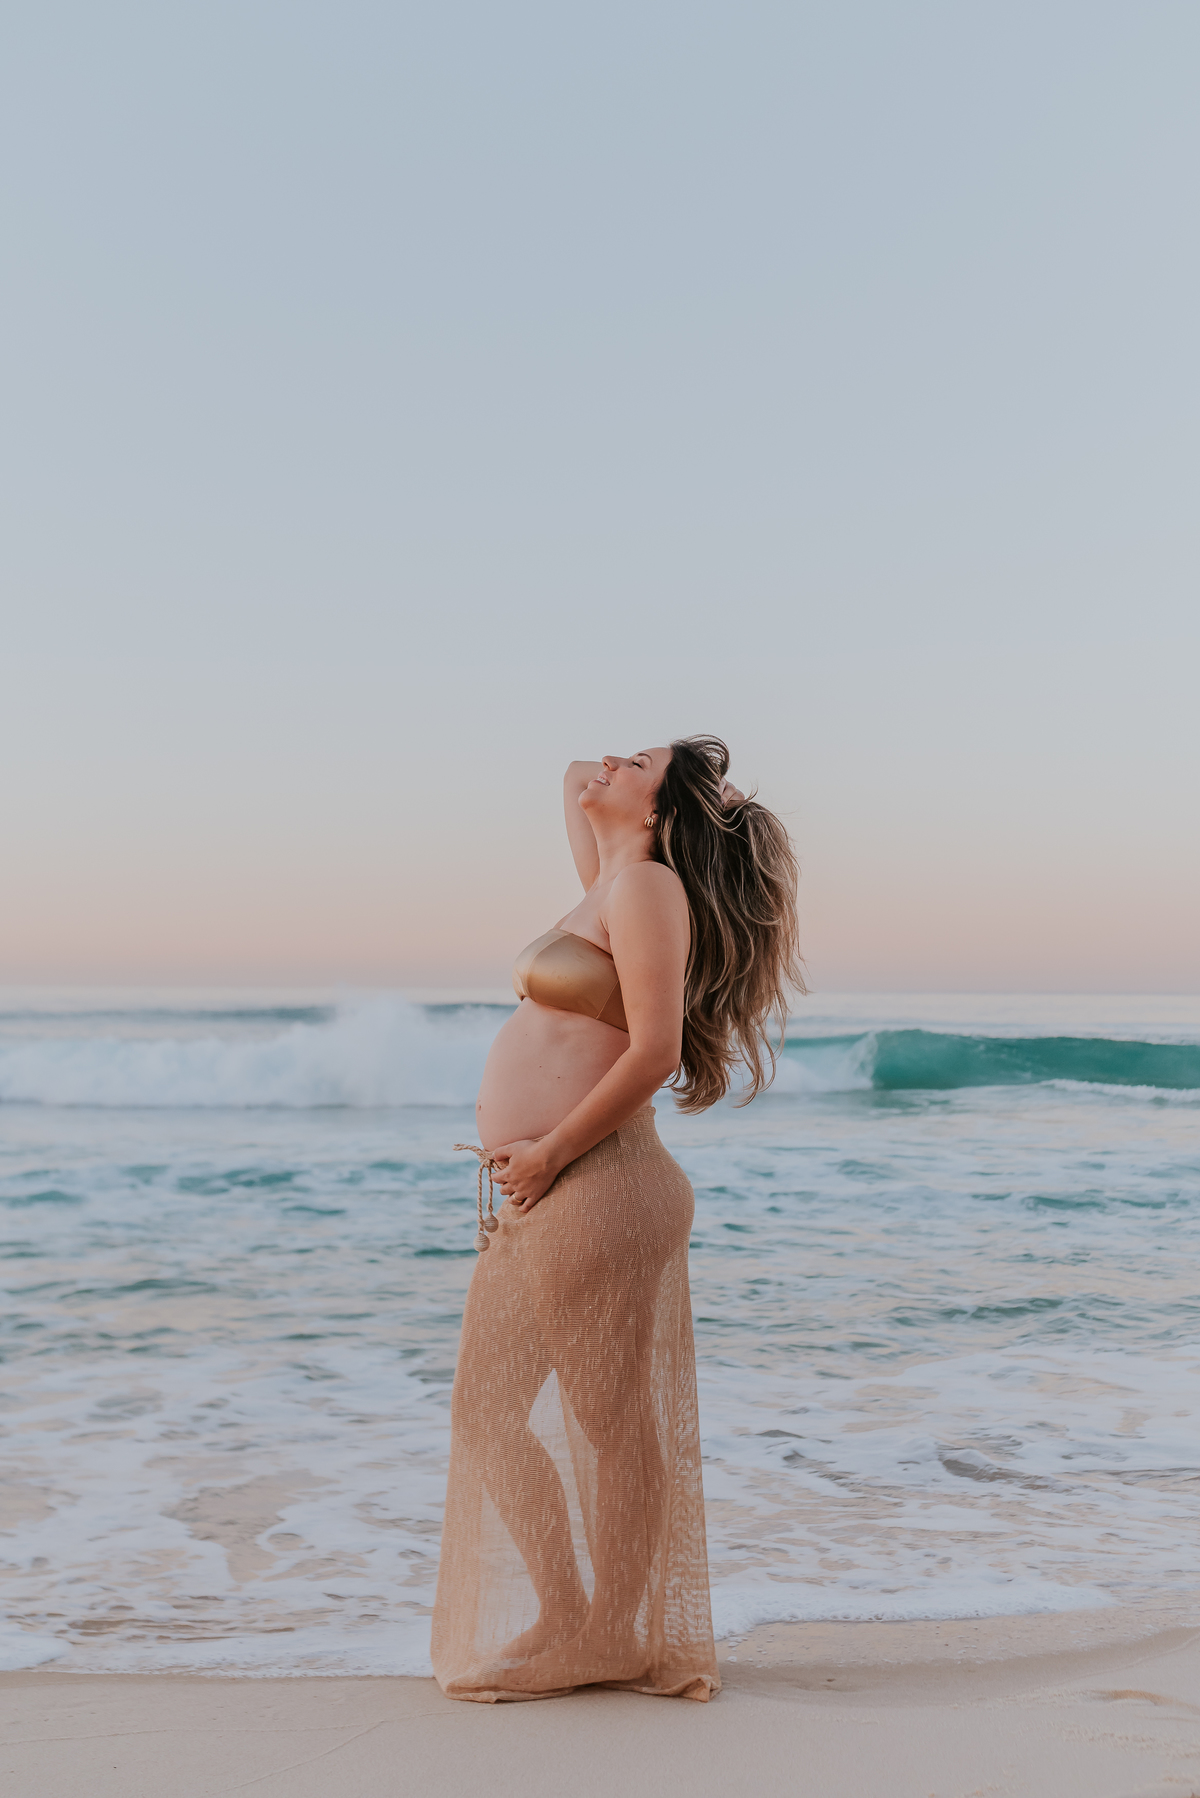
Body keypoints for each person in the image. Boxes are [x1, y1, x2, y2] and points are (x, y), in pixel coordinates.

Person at [431, 734, 802, 1703]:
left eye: (632, 763)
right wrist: (639, 777)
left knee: (609, 1421)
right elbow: (567, 775)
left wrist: (550, 1151)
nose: (603, 764)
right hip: (555, 1190)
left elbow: (653, 1050)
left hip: (599, 1183)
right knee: (487, 1413)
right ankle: (572, 1614)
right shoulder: (609, 880)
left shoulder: (646, 892)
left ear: (665, 811)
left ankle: (610, 1632)